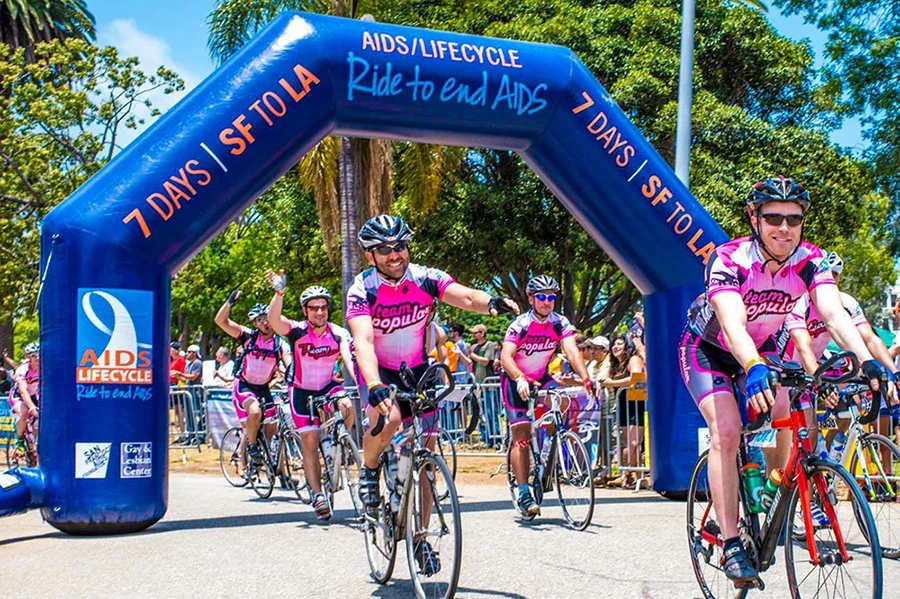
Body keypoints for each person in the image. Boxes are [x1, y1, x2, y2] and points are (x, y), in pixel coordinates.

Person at [678, 175, 893, 583]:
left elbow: (832, 313)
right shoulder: (728, 259)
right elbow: (732, 322)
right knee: (726, 431)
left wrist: (867, 361)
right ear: (753, 218)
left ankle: (771, 485)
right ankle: (731, 542)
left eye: (793, 220)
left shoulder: (811, 260)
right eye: (773, 217)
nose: (784, 228)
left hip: (764, 350)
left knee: (788, 407)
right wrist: (754, 366)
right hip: (710, 349)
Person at [346, 214, 518, 574]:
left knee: (427, 455)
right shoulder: (363, 289)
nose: (395, 255)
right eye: (384, 250)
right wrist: (375, 385)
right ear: (370, 255)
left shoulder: (426, 278)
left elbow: (466, 296)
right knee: (390, 418)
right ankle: (370, 467)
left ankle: (420, 538)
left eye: (400, 246)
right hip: (378, 367)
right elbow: (362, 340)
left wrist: (492, 303)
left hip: (417, 368)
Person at [777, 251, 899, 475]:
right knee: (799, 438)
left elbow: (870, 338)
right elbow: (803, 348)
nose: (830, 281)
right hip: (789, 370)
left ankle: (817, 483)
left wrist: (892, 372)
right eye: (826, 275)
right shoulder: (800, 303)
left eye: (835, 276)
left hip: (814, 367)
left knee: (822, 425)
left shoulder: (846, 304)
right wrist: (819, 383)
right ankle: (792, 492)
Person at [499, 274, 594, 517]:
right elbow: (506, 357)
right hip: (515, 378)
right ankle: (522, 491)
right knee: (521, 431)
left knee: (563, 402)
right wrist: (519, 378)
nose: (546, 301)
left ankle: (548, 454)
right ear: (531, 299)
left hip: (541, 376)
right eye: (541, 297)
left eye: (551, 297)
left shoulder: (559, 322)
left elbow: (572, 351)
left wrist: (586, 378)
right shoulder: (519, 324)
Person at [267, 277, 357, 521]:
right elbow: (274, 320)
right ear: (305, 310)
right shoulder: (297, 331)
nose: (320, 312)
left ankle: (340, 446)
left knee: (348, 406)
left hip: (327, 387)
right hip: (301, 391)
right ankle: (317, 494)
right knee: (310, 439)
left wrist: (359, 380)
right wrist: (280, 293)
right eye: (314, 307)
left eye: (323, 307)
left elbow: (348, 358)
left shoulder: (338, 333)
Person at [214, 291, 288, 473]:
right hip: (244, 386)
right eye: (260, 319)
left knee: (272, 427)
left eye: (268, 318)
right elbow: (221, 322)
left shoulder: (280, 342)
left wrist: (292, 374)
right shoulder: (248, 336)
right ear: (254, 323)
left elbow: (289, 362)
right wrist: (229, 302)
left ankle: (273, 465)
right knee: (253, 415)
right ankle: (251, 451)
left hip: (263, 387)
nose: (266, 322)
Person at [600, 335, 646, 488]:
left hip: (637, 404)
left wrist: (612, 383)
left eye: (620, 344)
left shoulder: (634, 359)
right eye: (614, 344)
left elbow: (636, 377)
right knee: (629, 445)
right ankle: (636, 476)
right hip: (622, 407)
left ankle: (635, 474)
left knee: (634, 444)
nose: (616, 347)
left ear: (627, 346)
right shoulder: (613, 365)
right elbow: (602, 379)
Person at [9, 342, 39, 455]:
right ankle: (20, 439)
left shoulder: (44, 367)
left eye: (39, 354)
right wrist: (31, 407)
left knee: (40, 420)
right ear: (28, 357)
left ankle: (36, 446)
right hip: (18, 396)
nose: (37, 357)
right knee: (25, 412)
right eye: (33, 355)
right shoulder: (23, 369)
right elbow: (23, 390)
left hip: (33, 394)